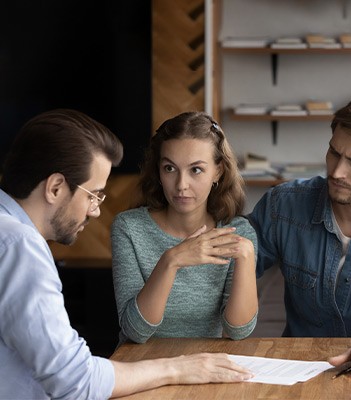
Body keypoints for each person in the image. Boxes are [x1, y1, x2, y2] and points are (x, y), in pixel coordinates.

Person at [0, 109, 254, 400]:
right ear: (56, 187)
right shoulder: (19, 247)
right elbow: (77, 381)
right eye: (93, 195)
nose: (95, 210)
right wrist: (178, 369)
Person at [248, 91, 351, 375]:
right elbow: (227, 274)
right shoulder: (283, 205)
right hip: (294, 369)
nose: (338, 171)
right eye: (334, 152)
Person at [111, 111, 258, 344]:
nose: (181, 185)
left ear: (218, 171)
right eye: (170, 168)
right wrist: (172, 260)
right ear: (158, 170)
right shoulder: (129, 228)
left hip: (204, 367)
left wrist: (247, 257)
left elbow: (239, 332)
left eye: (196, 170)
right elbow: (135, 332)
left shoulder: (237, 234)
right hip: (142, 368)